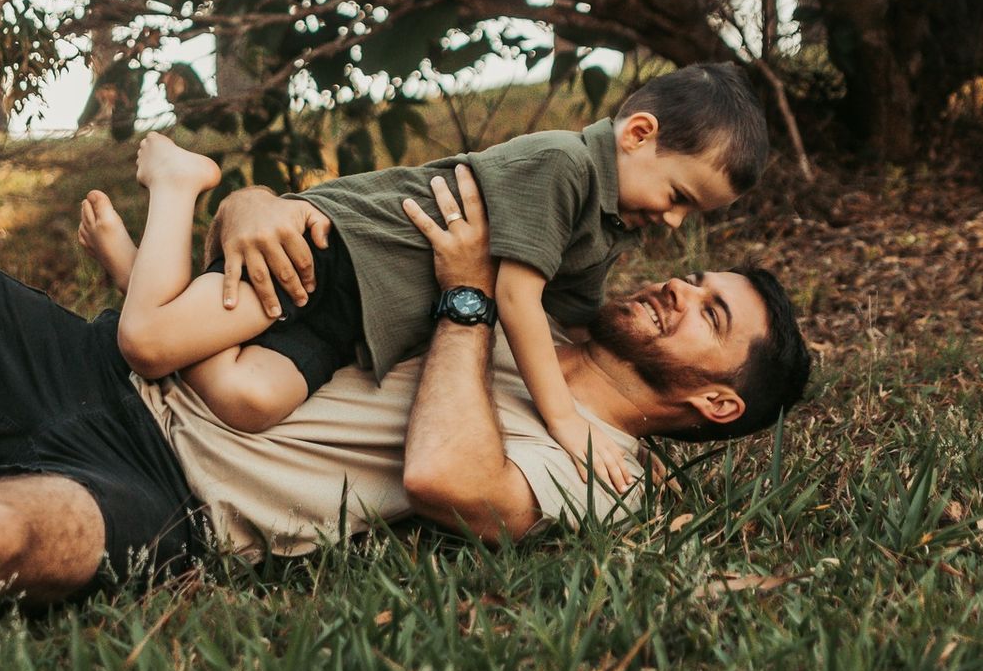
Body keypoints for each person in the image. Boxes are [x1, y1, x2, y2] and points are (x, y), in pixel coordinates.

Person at [0, 161, 809, 671]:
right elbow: (321, 239)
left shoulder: (605, 468)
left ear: (716, 402)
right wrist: (247, 203)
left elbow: (449, 474)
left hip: (166, 495)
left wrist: (462, 297)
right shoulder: (535, 287)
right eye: (694, 276)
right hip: (90, 363)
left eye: (712, 317)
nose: (676, 290)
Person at [81, 64, 768, 496]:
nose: (677, 224)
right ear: (638, 133)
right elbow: (516, 298)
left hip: (370, 320)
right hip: (342, 255)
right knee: (146, 343)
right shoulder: (564, 167)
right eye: (680, 196)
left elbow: (579, 317)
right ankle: (179, 184)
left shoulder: (605, 225)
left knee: (248, 400)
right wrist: (563, 419)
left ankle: (134, 268)